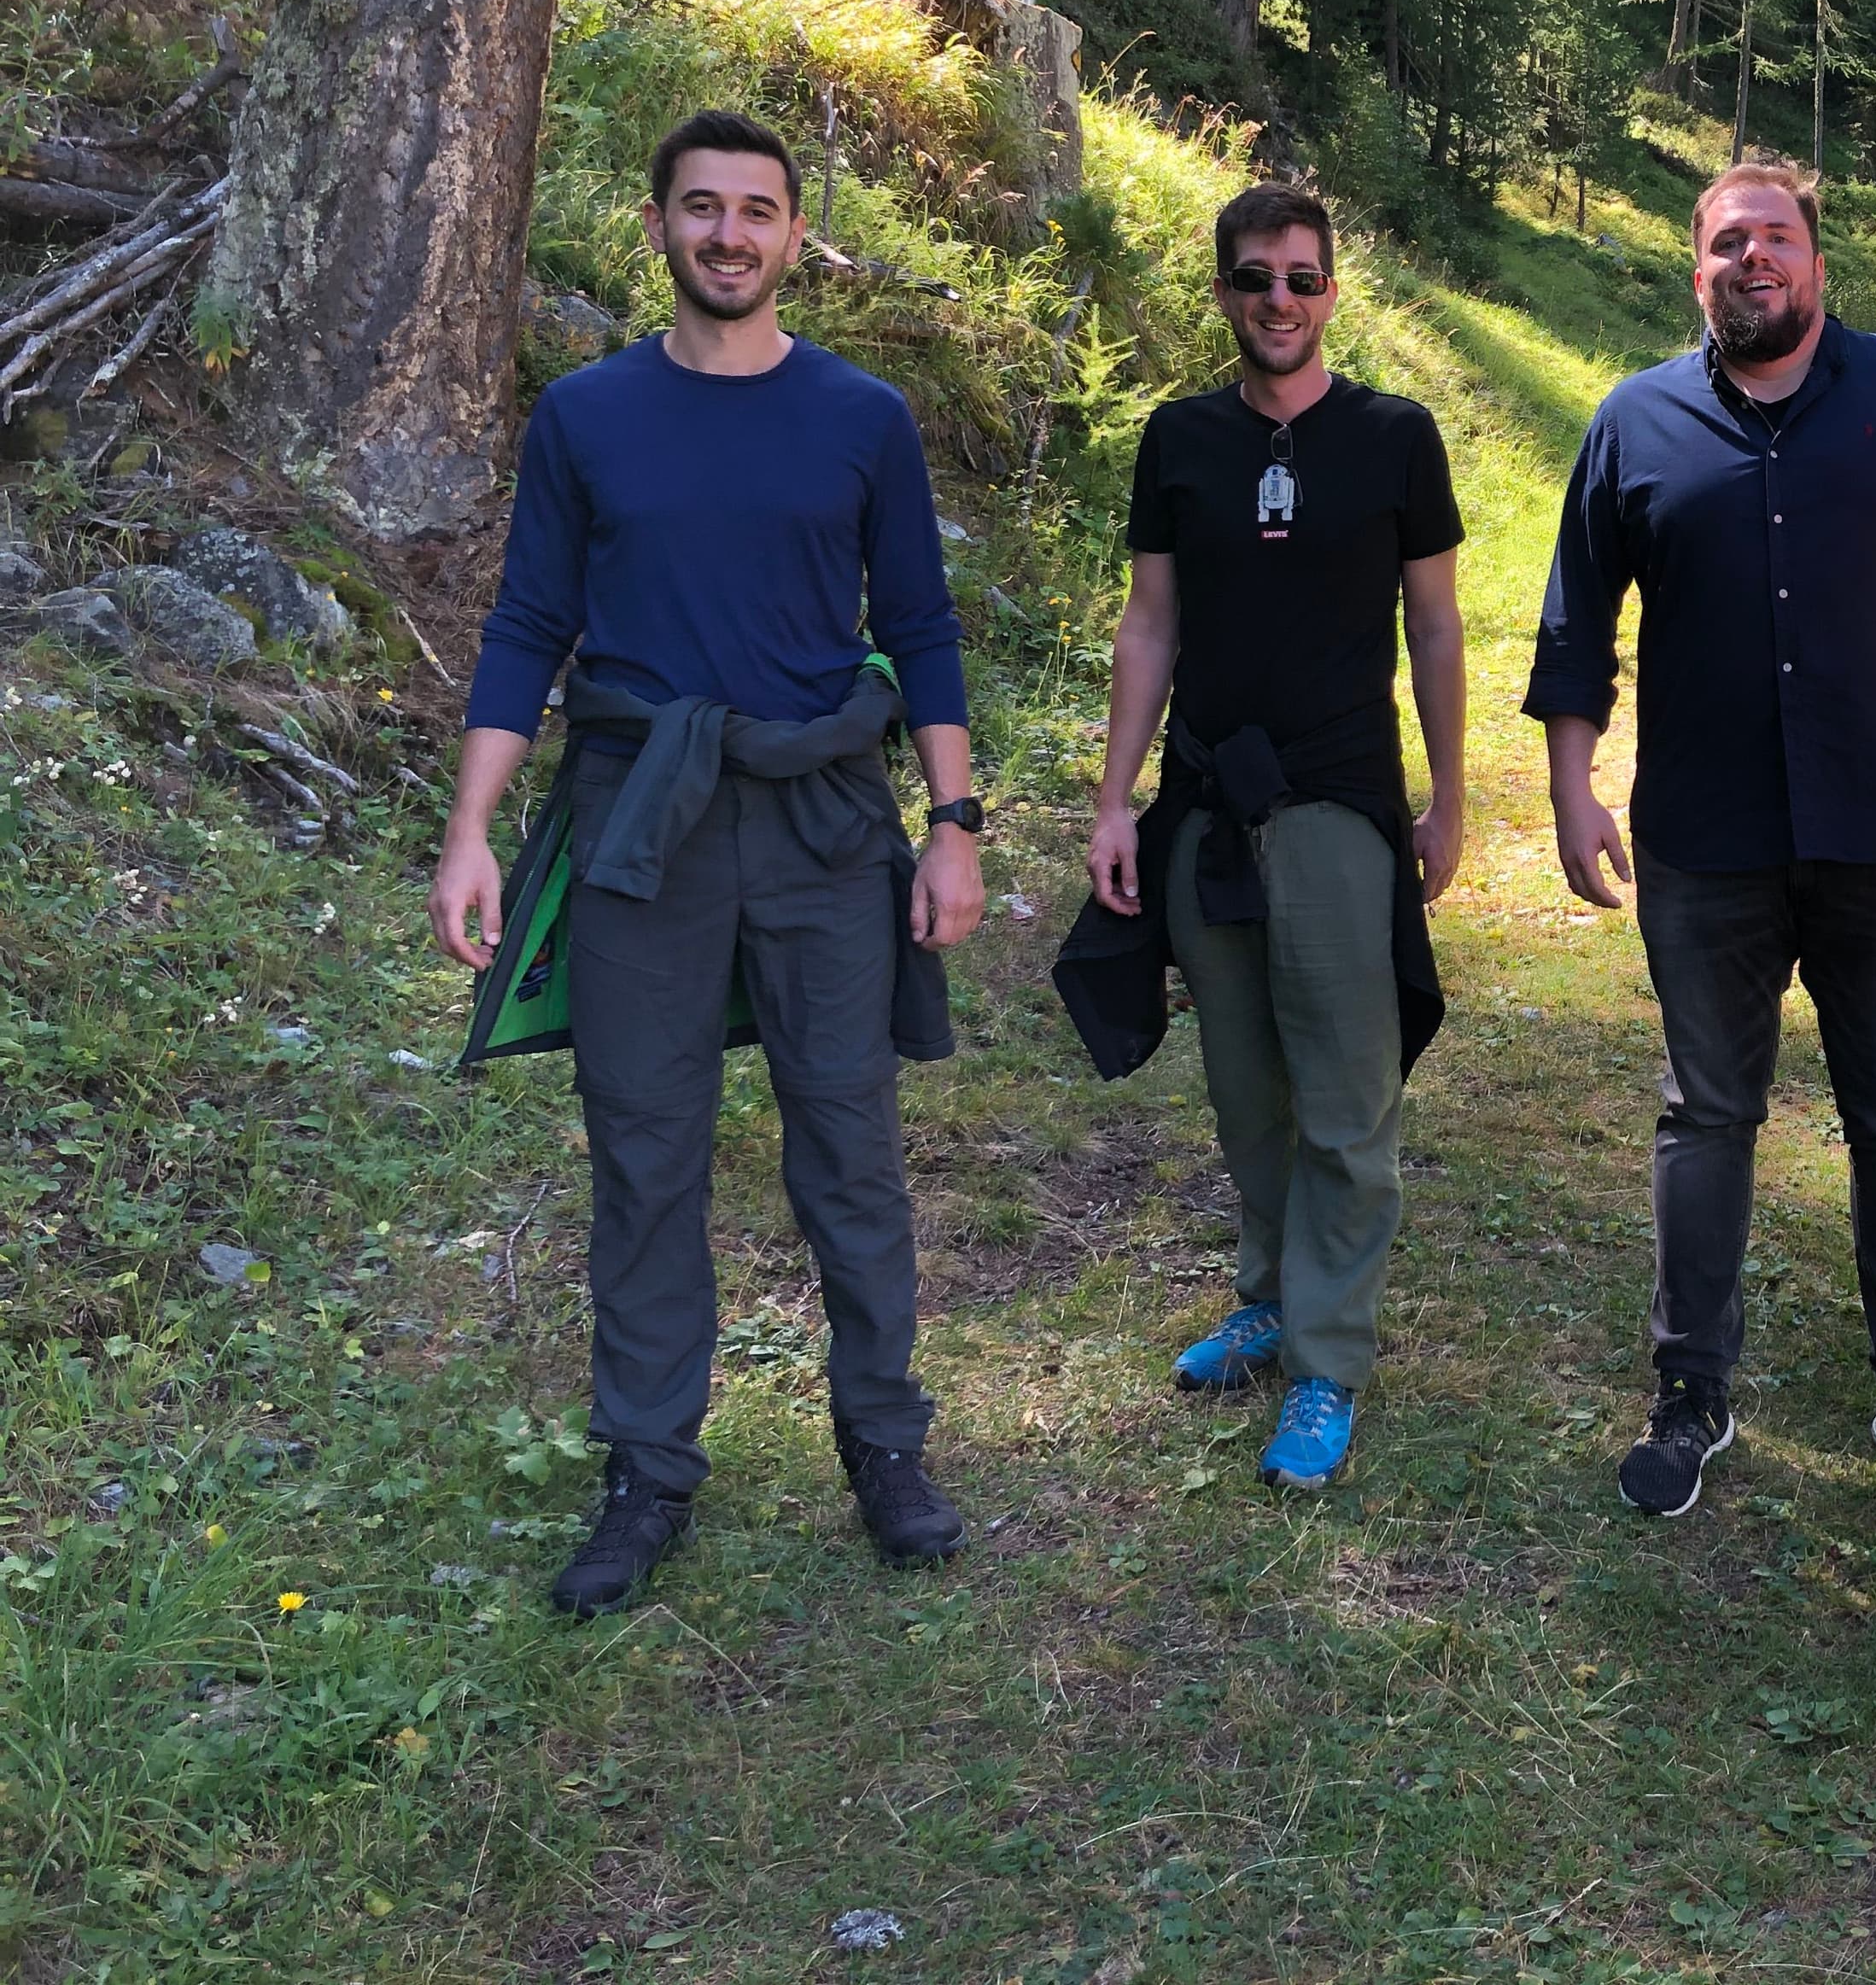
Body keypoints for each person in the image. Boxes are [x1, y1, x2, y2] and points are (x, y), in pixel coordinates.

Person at [432, 109, 988, 1617]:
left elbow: (923, 627)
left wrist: (952, 825)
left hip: (820, 820)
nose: (729, 234)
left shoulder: (861, 417)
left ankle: (884, 1443)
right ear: (662, 226)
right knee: (645, 1154)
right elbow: (527, 628)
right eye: (701, 208)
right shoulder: (587, 418)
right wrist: (471, 829)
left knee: (849, 1152)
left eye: (756, 210)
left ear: (796, 236)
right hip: (637, 819)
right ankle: (647, 1471)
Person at [1526, 158, 1876, 1521]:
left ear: (1818, 265)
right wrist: (1572, 788)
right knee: (1705, 1115)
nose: (1752, 261)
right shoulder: (1633, 423)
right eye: (1728, 243)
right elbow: (1573, 626)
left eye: (1775, 238)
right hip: (1702, 844)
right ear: (1697, 272)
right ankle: (1688, 1393)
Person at [1083, 184, 1465, 1494]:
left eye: (1303, 280)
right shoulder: (1179, 439)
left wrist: (1449, 796)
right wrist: (1115, 798)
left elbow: (1437, 627)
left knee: (1348, 1103)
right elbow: (1150, 627)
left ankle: (1327, 1362)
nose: (1280, 302)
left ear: (1334, 293)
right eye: (1256, 280)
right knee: (1246, 1087)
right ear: (1224, 293)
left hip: (1338, 808)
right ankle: (1266, 1294)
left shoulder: (1396, 439)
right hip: (1203, 808)